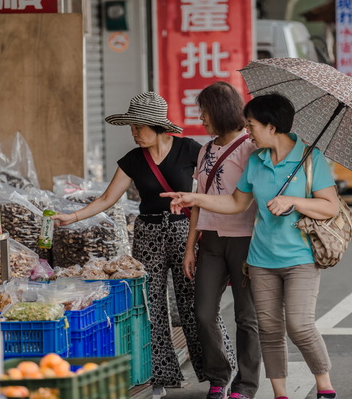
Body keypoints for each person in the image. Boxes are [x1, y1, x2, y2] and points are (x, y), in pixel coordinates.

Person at [51, 91, 236, 398]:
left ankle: (220, 375)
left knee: (197, 305)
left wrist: (200, 238)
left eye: (139, 126)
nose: (135, 133)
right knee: (151, 306)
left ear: (157, 126)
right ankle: (158, 376)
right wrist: (73, 216)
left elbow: (209, 193)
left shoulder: (191, 149)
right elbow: (108, 199)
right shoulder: (133, 160)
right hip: (147, 233)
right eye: (131, 127)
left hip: (183, 231)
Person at [162, 93, 341, 399]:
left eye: (252, 124)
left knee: (298, 325)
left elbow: (330, 207)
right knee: (270, 331)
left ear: (272, 127)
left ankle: (324, 385)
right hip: (260, 259)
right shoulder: (256, 160)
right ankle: (279, 393)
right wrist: (193, 198)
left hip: (300, 256)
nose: (248, 130)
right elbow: (235, 202)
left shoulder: (311, 158)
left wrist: (293, 201)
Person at [185, 82, 261, 399]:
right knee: (203, 311)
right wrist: (191, 246)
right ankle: (219, 376)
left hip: (245, 240)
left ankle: (245, 385)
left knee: (247, 317)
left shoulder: (251, 149)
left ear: (219, 111)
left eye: (204, 111)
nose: (201, 118)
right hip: (211, 241)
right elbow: (198, 200)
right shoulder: (205, 150)